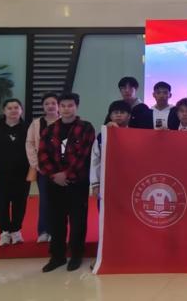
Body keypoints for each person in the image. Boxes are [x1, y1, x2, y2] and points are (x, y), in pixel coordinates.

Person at [38, 92, 96, 272]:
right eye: (63, 106)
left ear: (76, 107)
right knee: (56, 221)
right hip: (54, 182)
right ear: (58, 107)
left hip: (77, 182)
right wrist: (55, 175)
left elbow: (84, 155)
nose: (66, 109)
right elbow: (42, 154)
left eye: (70, 105)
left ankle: (76, 255)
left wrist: (67, 174)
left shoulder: (86, 128)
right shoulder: (49, 130)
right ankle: (57, 256)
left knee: (78, 221)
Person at [0, 98, 30, 247]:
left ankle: (16, 231)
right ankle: (4, 233)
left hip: (22, 175)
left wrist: (32, 171)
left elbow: (33, 151)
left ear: (21, 110)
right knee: (2, 204)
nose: (13, 110)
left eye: (16, 107)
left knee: (20, 204)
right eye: (9, 108)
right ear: (4, 111)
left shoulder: (28, 129)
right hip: (0, 175)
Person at [25, 92, 60, 243]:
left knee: (59, 201)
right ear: (43, 107)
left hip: (61, 169)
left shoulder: (64, 121)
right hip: (42, 168)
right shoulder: (36, 123)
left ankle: (56, 232)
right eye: (47, 104)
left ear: (58, 105)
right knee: (45, 199)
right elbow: (30, 143)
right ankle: (43, 231)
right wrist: (36, 164)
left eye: (53, 103)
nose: (50, 106)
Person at [90, 100, 131, 201]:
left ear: (129, 116)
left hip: (129, 181)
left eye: (122, 112)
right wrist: (95, 184)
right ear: (110, 116)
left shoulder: (135, 135)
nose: (118, 115)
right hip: (106, 181)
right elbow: (95, 160)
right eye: (115, 112)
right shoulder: (102, 136)